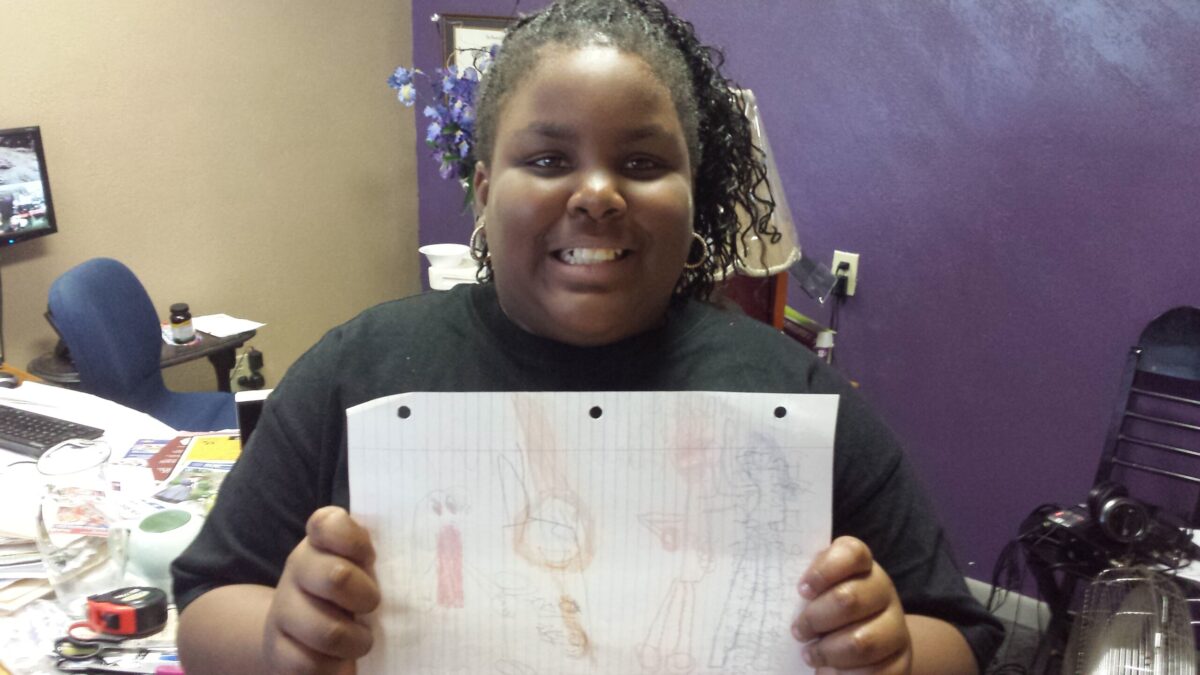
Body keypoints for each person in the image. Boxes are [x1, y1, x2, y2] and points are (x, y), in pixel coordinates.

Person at [173, 0, 1004, 673]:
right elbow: (207, 602)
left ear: (692, 192)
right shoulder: (361, 370)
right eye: (546, 160)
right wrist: (277, 637)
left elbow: (956, 635)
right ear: (483, 189)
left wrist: (887, 651)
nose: (598, 193)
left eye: (643, 163)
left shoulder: (791, 394)